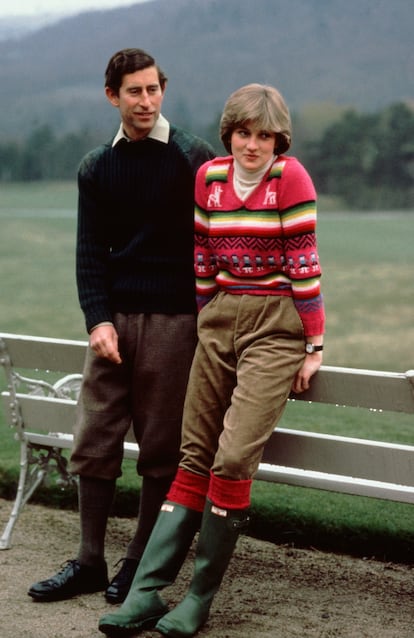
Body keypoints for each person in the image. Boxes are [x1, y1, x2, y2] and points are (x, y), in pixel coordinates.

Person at [98, 82, 325, 637]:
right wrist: (208, 318)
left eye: (265, 135)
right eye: (244, 133)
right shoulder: (209, 178)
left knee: (231, 458)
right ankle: (148, 592)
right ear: (230, 134)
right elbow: (202, 253)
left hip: (275, 325)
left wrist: (314, 344)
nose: (253, 146)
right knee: (193, 452)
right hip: (219, 318)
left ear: (279, 140)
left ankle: (198, 598)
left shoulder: (288, 178)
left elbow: (304, 261)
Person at [27, 48, 215, 605]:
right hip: (113, 326)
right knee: (94, 437)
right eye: (133, 91)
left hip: (175, 322)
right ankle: (89, 561)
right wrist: (97, 321)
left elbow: (213, 243)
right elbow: (90, 255)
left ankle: (137, 564)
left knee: (161, 447)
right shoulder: (96, 167)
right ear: (113, 96)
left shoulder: (192, 157)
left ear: (163, 90)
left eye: (153, 89)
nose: (145, 100)